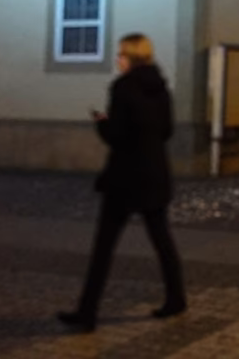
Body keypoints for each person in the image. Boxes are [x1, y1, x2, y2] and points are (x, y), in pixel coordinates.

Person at [59, 33, 186, 333]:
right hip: (154, 174)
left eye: (120, 54)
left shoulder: (123, 87)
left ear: (130, 56)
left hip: (125, 177)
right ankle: (176, 297)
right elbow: (167, 130)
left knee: (103, 248)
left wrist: (102, 122)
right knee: (162, 241)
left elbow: (116, 136)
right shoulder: (161, 88)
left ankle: (87, 312)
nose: (118, 59)